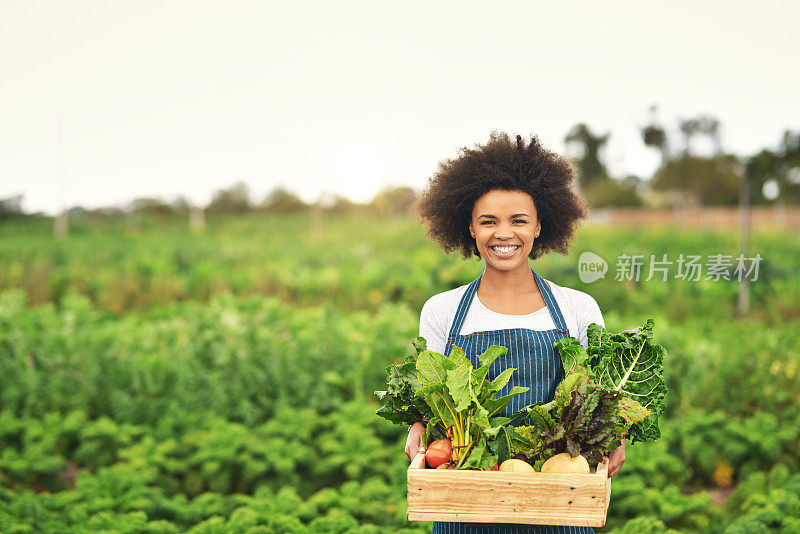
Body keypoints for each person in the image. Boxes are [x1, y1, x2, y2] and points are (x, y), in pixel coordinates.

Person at [405, 132, 626, 534]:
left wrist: (614, 434)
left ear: (540, 226)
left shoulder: (578, 308)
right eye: (488, 221)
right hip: (467, 501)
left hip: (559, 501)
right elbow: (428, 399)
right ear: (469, 228)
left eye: (518, 220)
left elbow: (599, 396)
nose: (503, 233)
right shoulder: (443, 310)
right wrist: (418, 427)